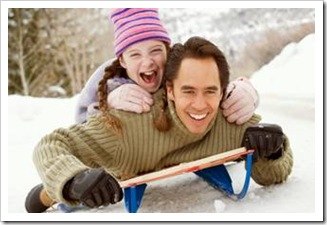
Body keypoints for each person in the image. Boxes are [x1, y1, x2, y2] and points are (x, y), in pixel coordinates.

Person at [26, 36, 293, 213]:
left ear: (223, 89)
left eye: (210, 91)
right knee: (68, 189)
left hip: (186, 155)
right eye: (188, 91)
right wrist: (71, 181)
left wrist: (274, 152)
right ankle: (48, 194)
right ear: (170, 90)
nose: (200, 105)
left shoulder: (229, 118)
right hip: (120, 167)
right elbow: (51, 144)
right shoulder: (128, 124)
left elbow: (275, 173)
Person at [75, 8, 259, 125]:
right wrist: (108, 105)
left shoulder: (182, 66)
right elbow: (81, 125)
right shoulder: (107, 78)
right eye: (135, 54)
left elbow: (216, 86)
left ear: (167, 50)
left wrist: (245, 92)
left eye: (155, 51)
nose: (147, 62)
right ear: (123, 61)